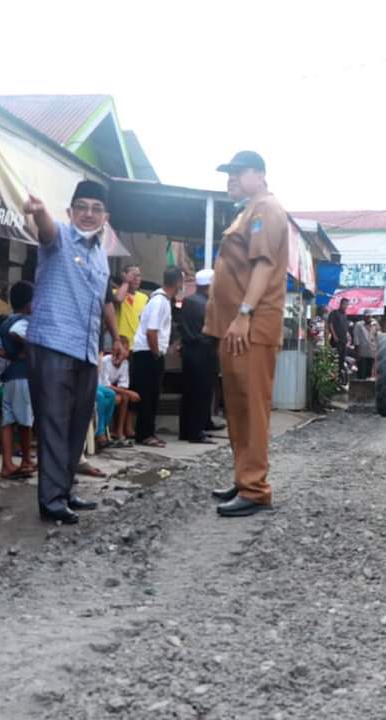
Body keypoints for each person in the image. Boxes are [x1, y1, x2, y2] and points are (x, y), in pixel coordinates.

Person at [22, 180, 125, 525]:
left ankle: (64, 490)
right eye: (81, 206)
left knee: (77, 424)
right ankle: (50, 501)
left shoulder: (100, 255)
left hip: (85, 351)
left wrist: (115, 338)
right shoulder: (60, 237)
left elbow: (104, 302)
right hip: (52, 344)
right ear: (70, 211)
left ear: (105, 217)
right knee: (53, 422)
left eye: (96, 208)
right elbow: (47, 232)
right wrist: (40, 214)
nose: (88, 214)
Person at [205, 150, 289, 518]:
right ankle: (244, 478)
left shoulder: (266, 209)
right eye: (228, 174)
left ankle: (255, 489)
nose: (230, 179)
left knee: (250, 409)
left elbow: (264, 266)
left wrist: (243, 315)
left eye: (238, 173)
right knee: (237, 407)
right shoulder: (247, 210)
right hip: (236, 329)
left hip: (250, 327)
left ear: (259, 173)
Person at [131, 267, 183, 448]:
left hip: (151, 352)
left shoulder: (162, 300)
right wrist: (155, 352)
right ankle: (144, 434)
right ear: (177, 282)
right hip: (147, 353)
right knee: (147, 394)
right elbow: (151, 331)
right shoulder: (159, 301)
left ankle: (148, 432)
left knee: (153, 395)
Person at [0, 281, 35, 479]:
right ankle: (26, 460)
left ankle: (6, 464)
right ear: (29, 304)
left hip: (9, 378)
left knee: (8, 420)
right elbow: (17, 332)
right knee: (25, 421)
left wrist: (11, 356)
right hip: (23, 376)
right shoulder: (24, 320)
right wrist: (28, 350)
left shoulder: (5, 321)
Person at [179, 269, 219, 444]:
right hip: (204, 350)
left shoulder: (188, 301)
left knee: (190, 391)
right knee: (200, 392)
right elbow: (213, 329)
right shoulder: (206, 304)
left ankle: (188, 429)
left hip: (190, 350)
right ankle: (196, 431)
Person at [98, 350, 138, 446]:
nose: (116, 357)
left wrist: (124, 393)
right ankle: (102, 432)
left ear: (126, 355)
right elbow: (104, 385)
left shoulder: (125, 363)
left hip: (110, 389)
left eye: (120, 355)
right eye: (115, 354)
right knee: (109, 396)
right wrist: (128, 392)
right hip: (100, 387)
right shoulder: (104, 361)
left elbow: (123, 385)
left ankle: (119, 431)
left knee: (124, 397)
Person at [114, 264, 147, 348]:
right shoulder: (116, 292)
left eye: (138, 275)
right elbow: (118, 299)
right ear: (124, 276)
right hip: (120, 344)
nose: (136, 279)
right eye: (133, 275)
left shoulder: (144, 297)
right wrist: (126, 282)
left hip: (137, 345)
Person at [328, 297, 351, 378]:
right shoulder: (334, 313)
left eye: (347, 305)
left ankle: (340, 376)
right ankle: (333, 376)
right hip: (336, 341)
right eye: (345, 304)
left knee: (342, 359)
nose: (346, 306)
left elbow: (345, 327)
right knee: (335, 359)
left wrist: (348, 336)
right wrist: (334, 336)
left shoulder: (345, 315)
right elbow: (330, 325)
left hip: (343, 341)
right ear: (341, 304)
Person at [354, 310, 375, 379]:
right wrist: (357, 352)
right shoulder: (359, 325)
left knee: (369, 371)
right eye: (367, 317)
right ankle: (360, 386)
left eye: (369, 316)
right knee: (362, 371)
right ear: (364, 317)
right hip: (362, 351)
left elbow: (377, 336)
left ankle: (367, 386)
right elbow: (356, 338)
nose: (368, 318)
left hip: (371, 351)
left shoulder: (374, 324)